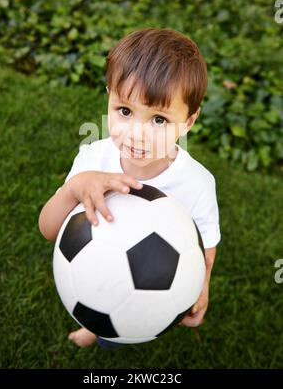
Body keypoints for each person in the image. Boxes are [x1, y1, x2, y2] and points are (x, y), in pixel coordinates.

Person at [38, 28, 221, 351]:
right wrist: (73, 190)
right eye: (124, 111)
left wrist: (202, 286)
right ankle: (94, 327)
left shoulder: (197, 183)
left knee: (123, 328)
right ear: (109, 97)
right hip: (97, 272)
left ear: (189, 121)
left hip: (154, 286)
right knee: (100, 307)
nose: (137, 135)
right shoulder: (94, 159)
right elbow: (49, 230)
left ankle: (108, 334)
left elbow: (205, 246)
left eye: (159, 120)